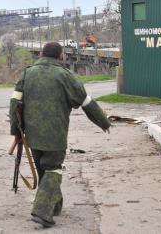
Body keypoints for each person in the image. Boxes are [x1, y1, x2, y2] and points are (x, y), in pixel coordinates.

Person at [9, 42, 111, 228]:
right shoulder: (66, 76)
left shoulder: (27, 74)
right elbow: (86, 102)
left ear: (41, 54)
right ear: (61, 56)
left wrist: (16, 132)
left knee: (44, 169)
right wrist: (103, 122)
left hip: (32, 135)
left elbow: (15, 104)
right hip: (55, 136)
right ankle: (42, 212)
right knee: (53, 169)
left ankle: (55, 206)